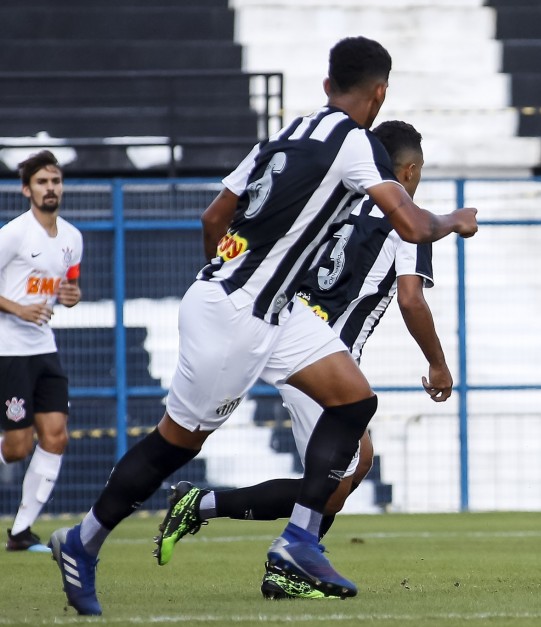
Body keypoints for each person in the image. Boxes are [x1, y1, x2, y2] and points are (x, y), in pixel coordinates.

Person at [49, 37, 477, 616]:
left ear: (328, 86)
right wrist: (454, 219)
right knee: (175, 446)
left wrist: (227, 271)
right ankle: (81, 541)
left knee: (354, 402)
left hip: (274, 310)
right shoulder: (356, 144)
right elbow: (411, 226)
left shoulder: (285, 133)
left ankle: (298, 541)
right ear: (380, 93)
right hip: (239, 313)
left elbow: (214, 216)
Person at [153, 120, 454, 601]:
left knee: (359, 462)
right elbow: (411, 300)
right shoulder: (408, 221)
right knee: (332, 485)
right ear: (411, 170)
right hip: (324, 361)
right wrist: (438, 365)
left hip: (294, 340)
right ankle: (213, 511)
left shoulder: (337, 201)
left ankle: (291, 554)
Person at [0, 150, 82, 553]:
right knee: (15, 449)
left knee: (55, 437)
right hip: (9, 351)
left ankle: (20, 532)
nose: (50, 189)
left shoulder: (72, 239)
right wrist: (17, 308)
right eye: (42, 182)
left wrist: (72, 296)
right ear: (26, 189)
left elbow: (69, 289)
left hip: (45, 350)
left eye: (55, 181)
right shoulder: (13, 234)